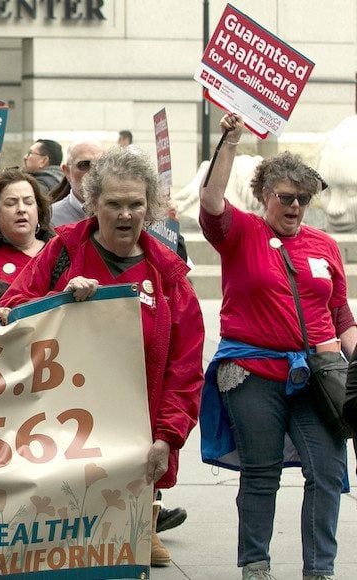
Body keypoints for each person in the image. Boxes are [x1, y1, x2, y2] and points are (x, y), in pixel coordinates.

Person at [0, 146, 205, 570]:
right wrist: (60, 300)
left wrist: (168, 436)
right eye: (114, 204)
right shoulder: (60, 254)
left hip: (133, 446)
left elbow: (185, 371)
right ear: (93, 204)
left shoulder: (168, 278)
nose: (125, 214)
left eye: (135, 204)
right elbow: (11, 310)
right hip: (57, 437)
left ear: (150, 207)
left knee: (119, 564)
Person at [198, 114, 354, 580]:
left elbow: (341, 313)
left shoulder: (325, 246)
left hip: (319, 375)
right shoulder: (241, 232)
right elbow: (210, 201)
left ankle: (319, 570)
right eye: (285, 198)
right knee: (262, 472)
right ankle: (255, 565)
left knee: (327, 472)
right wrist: (230, 141)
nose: (295, 207)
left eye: (303, 199)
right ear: (264, 194)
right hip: (251, 371)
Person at [0, 169, 55, 284]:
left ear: (39, 210)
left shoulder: (59, 251)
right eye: (11, 203)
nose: (21, 209)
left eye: (28, 202)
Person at [50, 141, 106, 227]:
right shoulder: (50, 218)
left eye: (100, 165)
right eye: (84, 165)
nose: (94, 172)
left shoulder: (122, 213)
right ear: (67, 171)